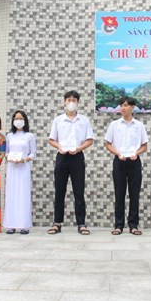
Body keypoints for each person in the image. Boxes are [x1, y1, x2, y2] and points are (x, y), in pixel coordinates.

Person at [47, 90, 94, 235]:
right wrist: (59, 147)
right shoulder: (58, 120)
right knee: (59, 191)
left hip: (77, 157)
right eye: (69, 100)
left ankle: (81, 223)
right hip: (62, 157)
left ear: (78, 102)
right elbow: (51, 139)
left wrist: (79, 148)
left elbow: (90, 140)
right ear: (64, 102)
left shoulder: (84, 120)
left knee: (79, 192)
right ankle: (57, 223)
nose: (71, 103)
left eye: (74, 100)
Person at [105, 96, 149, 235]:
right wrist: (117, 153)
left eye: (125, 105)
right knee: (119, 193)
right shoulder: (114, 125)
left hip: (134, 161)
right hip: (119, 160)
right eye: (121, 105)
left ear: (132, 107)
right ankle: (119, 225)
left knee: (134, 194)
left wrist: (137, 153)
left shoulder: (139, 125)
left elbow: (144, 146)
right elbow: (107, 144)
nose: (122, 108)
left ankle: (133, 225)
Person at [3, 110, 36, 235]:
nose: (18, 121)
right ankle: (10, 225)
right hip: (12, 167)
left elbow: (33, 153)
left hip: (23, 167)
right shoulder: (9, 136)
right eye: (16, 118)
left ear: (25, 120)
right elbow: (6, 152)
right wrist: (9, 157)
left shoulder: (30, 136)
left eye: (21, 118)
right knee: (11, 194)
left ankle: (24, 225)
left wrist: (24, 159)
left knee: (23, 194)